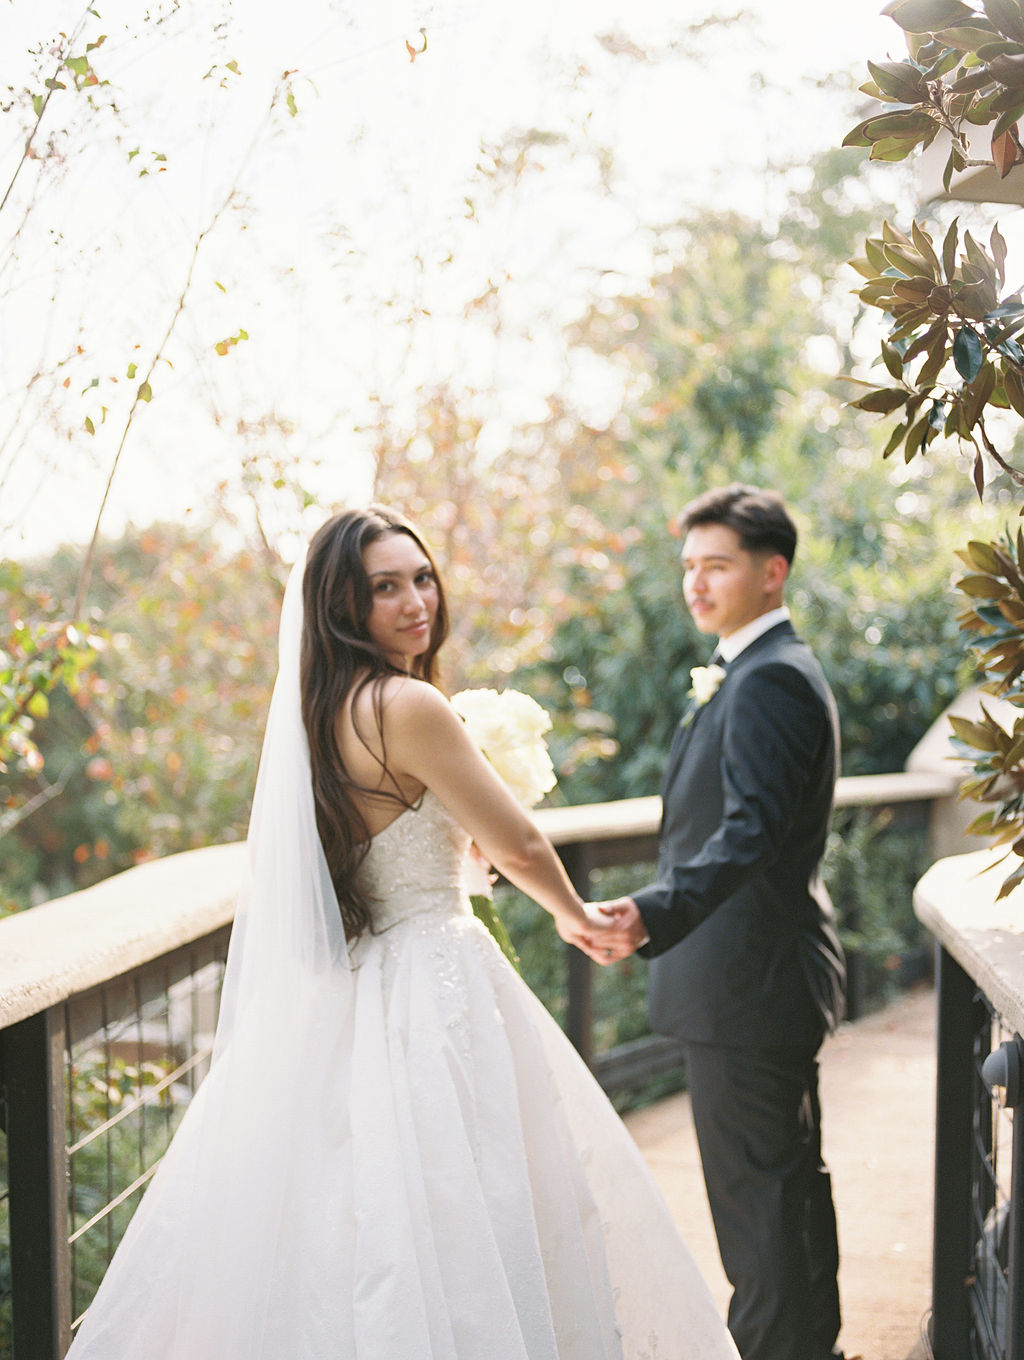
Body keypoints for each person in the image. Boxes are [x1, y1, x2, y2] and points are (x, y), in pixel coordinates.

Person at [66, 504, 738, 1360]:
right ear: (344, 606)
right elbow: (519, 841)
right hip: (438, 980)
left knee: (370, 1230)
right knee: (478, 1211)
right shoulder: (408, 704)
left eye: (422, 578)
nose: (416, 601)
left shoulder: (324, 713)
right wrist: (579, 918)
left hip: (364, 981)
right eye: (385, 587)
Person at [590, 485, 847, 1360]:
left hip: (747, 986)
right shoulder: (753, 669)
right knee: (783, 1196)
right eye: (690, 567)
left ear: (772, 574)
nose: (696, 585)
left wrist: (649, 914)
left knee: (759, 1212)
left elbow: (750, 834)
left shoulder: (770, 677)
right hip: (754, 986)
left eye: (718, 566)